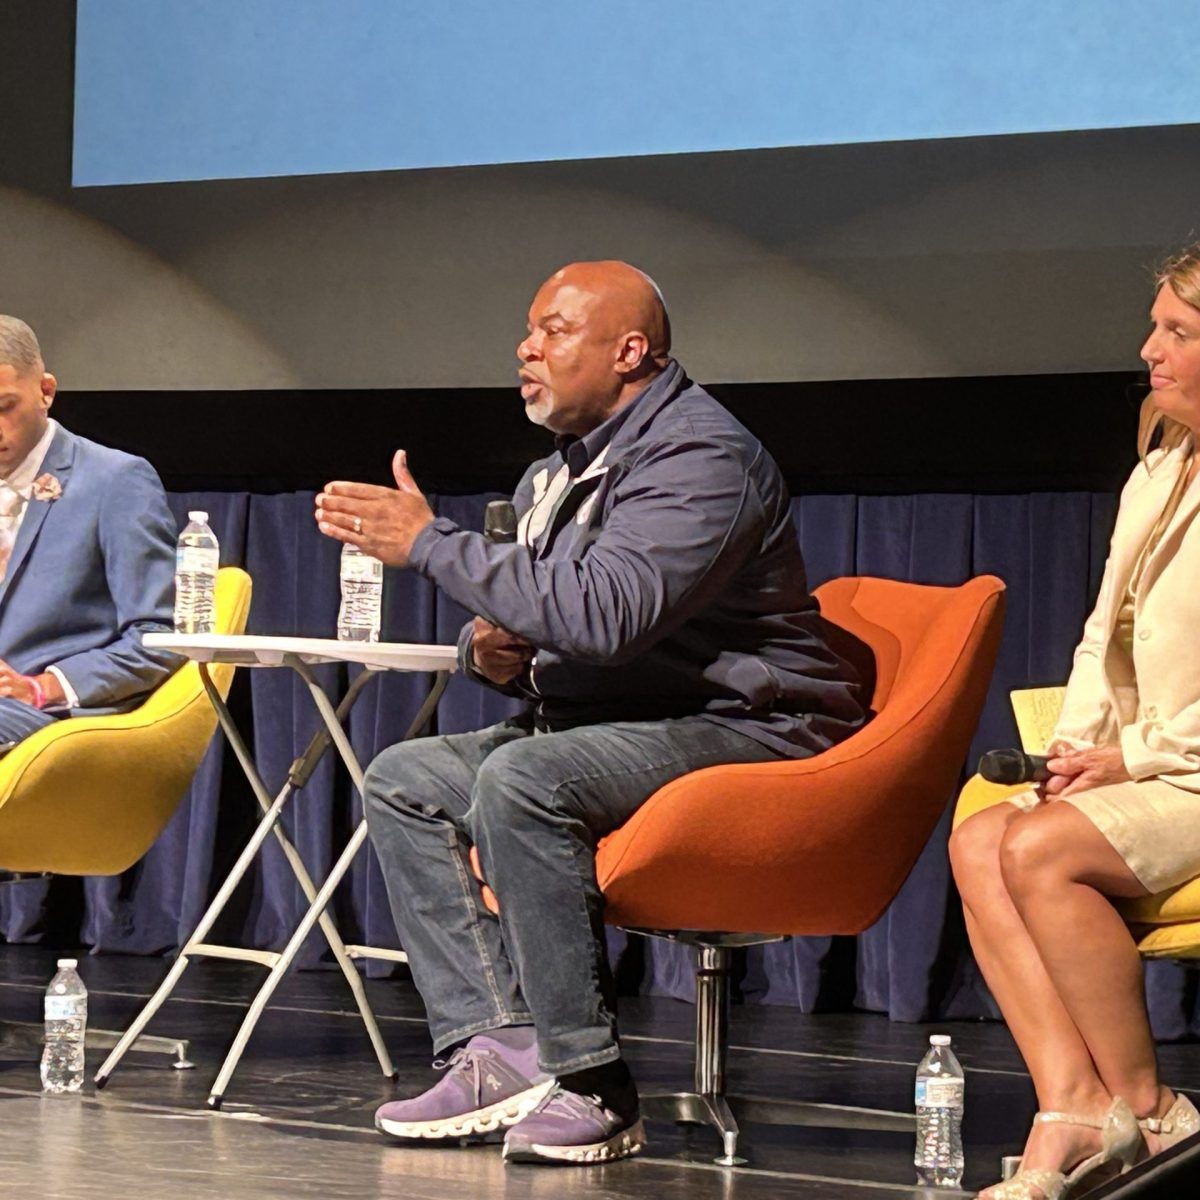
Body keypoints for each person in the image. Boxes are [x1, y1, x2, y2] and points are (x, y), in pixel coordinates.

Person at [314, 261, 872, 1165]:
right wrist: (494, 653)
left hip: (746, 724)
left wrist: (428, 543)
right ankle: (497, 1047)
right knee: (408, 777)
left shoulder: (701, 458)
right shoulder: (559, 472)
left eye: (553, 330)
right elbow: (551, 620)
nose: (526, 349)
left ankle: (594, 1083)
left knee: (526, 778)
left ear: (630, 351)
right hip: (628, 715)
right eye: (527, 331)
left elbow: (608, 616)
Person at [950, 245, 1200, 1200]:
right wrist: (1078, 750)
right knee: (982, 842)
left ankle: (1153, 1110)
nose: (1148, 350)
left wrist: (1130, 757)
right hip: (1152, 761)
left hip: (1189, 768)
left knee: (1041, 852)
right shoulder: (1162, 463)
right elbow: (1108, 630)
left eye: (1177, 332)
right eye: (1154, 327)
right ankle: (1073, 1104)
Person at [0, 315, 180, 746]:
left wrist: (44, 686)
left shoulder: (115, 481)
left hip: (48, 716)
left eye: (4, 407)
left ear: (46, 391)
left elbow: (160, 636)